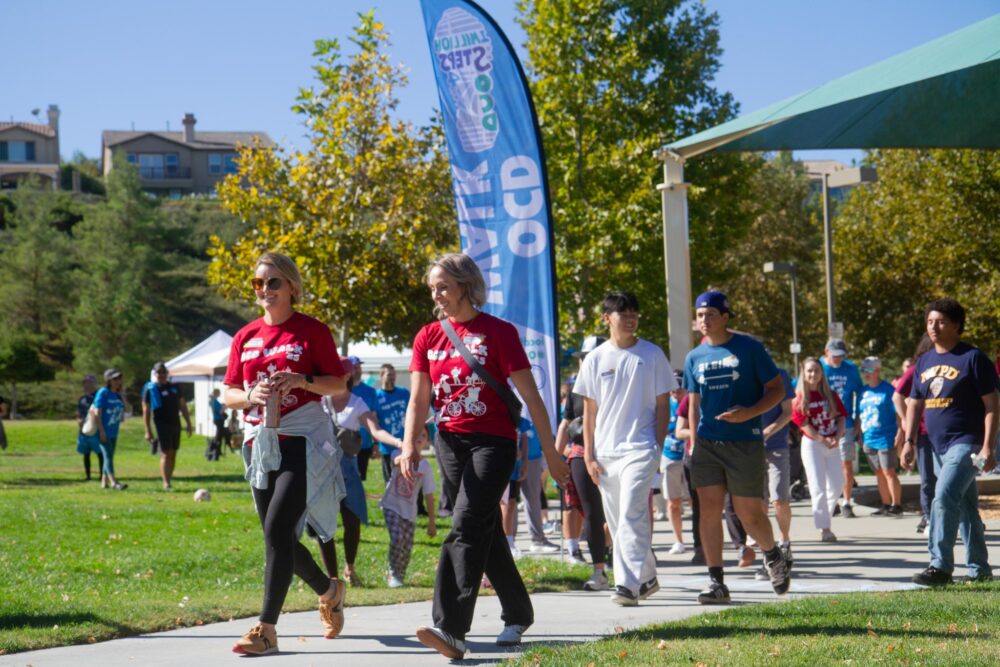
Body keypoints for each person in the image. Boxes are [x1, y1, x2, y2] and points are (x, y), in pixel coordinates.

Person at [399, 253, 570, 659]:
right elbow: (419, 398)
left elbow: (532, 396)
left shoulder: (498, 332)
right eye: (433, 288)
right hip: (449, 443)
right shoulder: (428, 336)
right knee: (484, 530)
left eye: (444, 286)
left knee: (465, 524)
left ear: (466, 286)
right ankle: (518, 611)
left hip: (493, 443)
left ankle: (451, 628)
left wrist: (551, 452)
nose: (437, 295)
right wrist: (409, 444)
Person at [222, 251, 351, 656]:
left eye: (272, 282)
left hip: (302, 440)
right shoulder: (245, 336)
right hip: (261, 441)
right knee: (276, 536)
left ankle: (266, 630)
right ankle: (330, 590)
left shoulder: (311, 331)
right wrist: (250, 395)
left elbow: (337, 385)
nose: (264, 290)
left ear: (292, 286)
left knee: (279, 529)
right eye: (258, 284)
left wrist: (302, 379)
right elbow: (227, 393)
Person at [683, 290, 789, 605]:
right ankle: (716, 582)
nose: (704, 320)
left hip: (744, 442)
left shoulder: (750, 349)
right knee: (709, 511)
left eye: (710, 314)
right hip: (706, 444)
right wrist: (693, 441)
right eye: (700, 315)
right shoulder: (694, 357)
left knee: (749, 514)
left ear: (725, 317)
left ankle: (773, 555)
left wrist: (749, 413)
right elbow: (693, 402)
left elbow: (777, 390)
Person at [575, 291, 677, 607]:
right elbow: (589, 411)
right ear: (607, 318)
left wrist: (657, 447)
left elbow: (663, 406)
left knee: (632, 514)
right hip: (605, 453)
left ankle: (627, 585)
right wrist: (589, 455)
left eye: (634, 313)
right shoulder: (595, 359)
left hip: (641, 447)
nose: (631, 319)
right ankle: (646, 577)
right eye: (624, 314)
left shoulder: (653, 355)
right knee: (620, 523)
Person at [903, 298, 997, 586]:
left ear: (957, 325)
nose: (934, 327)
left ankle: (939, 566)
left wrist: (987, 446)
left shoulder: (972, 358)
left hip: (967, 443)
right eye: (930, 321)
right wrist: (907, 441)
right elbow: (914, 403)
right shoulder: (925, 361)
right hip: (937, 446)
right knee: (966, 508)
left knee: (942, 498)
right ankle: (980, 569)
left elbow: (993, 404)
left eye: (941, 321)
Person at [318, 376, 403, 587]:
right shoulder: (320, 401)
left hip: (348, 471)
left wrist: (399, 442)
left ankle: (349, 567)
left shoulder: (357, 403)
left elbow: (375, 430)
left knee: (352, 519)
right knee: (324, 524)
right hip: (322, 471)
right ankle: (332, 578)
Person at [555, 336, 612, 585]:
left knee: (621, 513)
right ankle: (599, 570)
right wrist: (556, 456)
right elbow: (566, 423)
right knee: (591, 513)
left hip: (613, 452)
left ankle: (623, 558)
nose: (588, 362)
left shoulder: (614, 383)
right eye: (584, 358)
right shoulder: (577, 389)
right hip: (580, 453)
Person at [792, 358, 847, 543]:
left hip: (832, 444)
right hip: (813, 445)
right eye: (809, 371)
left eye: (816, 370)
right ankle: (825, 529)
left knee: (837, 484)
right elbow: (805, 426)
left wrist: (837, 437)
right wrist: (823, 439)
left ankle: (825, 517)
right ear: (803, 373)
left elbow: (841, 418)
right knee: (818, 487)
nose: (812, 374)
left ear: (821, 373)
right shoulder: (799, 399)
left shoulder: (830, 395)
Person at [754, 362, 795, 581]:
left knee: (779, 500)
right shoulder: (744, 376)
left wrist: (769, 430)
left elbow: (788, 412)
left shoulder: (781, 375)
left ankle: (785, 542)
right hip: (751, 447)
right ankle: (767, 556)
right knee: (759, 504)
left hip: (777, 445)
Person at [381, 427, 437, 587]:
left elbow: (429, 495)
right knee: (397, 539)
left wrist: (431, 522)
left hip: (410, 512)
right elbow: (395, 462)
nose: (420, 437)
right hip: (391, 506)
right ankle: (393, 573)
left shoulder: (425, 467)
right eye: (417, 433)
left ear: (427, 442)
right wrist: (406, 453)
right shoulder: (397, 455)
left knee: (406, 545)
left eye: (424, 435)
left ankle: (400, 575)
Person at [894, 335, 936, 533]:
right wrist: (905, 421)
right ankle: (928, 518)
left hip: (950, 433)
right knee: (928, 478)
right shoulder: (919, 367)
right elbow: (897, 396)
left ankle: (960, 518)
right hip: (925, 433)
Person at [820, 338, 863, 518]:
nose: (838, 359)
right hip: (822, 423)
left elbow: (859, 394)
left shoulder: (851, 369)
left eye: (841, 355)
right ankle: (832, 501)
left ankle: (846, 502)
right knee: (825, 464)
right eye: (834, 355)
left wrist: (858, 420)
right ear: (826, 351)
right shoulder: (818, 367)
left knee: (846, 462)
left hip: (845, 422)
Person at [858, 357, 904, 516]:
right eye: (863, 370)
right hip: (868, 437)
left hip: (886, 436)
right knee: (878, 472)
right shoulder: (863, 391)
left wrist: (900, 431)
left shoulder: (888, 389)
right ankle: (885, 504)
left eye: (869, 370)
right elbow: (859, 414)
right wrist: (859, 434)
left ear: (878, 370)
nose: (866, 373)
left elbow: (898, 413)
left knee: (889, 471)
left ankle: (896, 505)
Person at [142, 362, 193, 489]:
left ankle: (169, 478)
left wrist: (188, 422)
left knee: (173, 452)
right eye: (159, 372)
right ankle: (166, 482)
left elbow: (182, 405)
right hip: (161, 424)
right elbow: (146, 410)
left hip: (175, 423)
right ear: (155, 374)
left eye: (164, 372)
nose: (162, 375)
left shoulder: (175, 387)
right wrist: (147, 429)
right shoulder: (151, 389)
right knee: (165, 453)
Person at [516, 417, 561, 554]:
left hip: (534, 457)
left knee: (533, 499)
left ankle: (537, 539)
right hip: (516, 457)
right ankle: (509, 540)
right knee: (509, 502)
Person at [660, 372, 690, 555]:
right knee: (673, 502)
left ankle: (700, 540)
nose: (675, 389)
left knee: (695, 500)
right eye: (672, 385)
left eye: (679, 385)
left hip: (690, 457)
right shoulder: (664, 405)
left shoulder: (691, 403)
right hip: (669, 457)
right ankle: (679, 540)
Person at [93, 369, 128, 490]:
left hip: (114, 430)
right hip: (103, 430)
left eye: (119, 378)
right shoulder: (103, 392)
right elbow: (97, 412)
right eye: (115, 379)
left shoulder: (117, 394)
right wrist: (101, 431)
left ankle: (104, 482)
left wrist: (122, 395)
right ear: (108, 380)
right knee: (107, 455)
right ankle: (114, 482)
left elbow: (127, 409)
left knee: (110, 455)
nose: (118, 381)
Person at [345, 356, 379, 481]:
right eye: (354, 367)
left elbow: (374, 418)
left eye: (359, 367)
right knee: (346, 479)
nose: (358, 370)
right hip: (345, 443)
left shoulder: (370, 391)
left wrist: (376, 443)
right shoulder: (342, 389)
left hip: (364, 444)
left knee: (360, 480)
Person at [376, 363, 410, 484]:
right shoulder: (376, 396)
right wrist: (375, 444)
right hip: (387, 447)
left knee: (410, 479)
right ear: (381, 375)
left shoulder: (404, 393)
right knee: (390, 483)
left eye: (394, 375)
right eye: (389, 374)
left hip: (405, 445)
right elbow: (375, 424)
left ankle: (416, 503)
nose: (392, 377)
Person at [76, 374, 103, 479]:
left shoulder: (98, 397)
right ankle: (88, 476)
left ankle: (102, 475)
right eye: (85, 383)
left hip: (96, 429)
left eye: (89, 383)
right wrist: (79, 420)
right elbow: (78, 412)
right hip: (84, 430)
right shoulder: (82, 399)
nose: (87, 385)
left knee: (99, 453)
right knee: (86, 453)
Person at [207, 387, 227, 460]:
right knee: (218, 437)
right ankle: (215, 450)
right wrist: (224, 407)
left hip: (217, 419)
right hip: (218, 420)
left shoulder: (213, 401)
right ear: (216, 393)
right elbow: (220, 411)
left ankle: (217, 450)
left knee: (218, 436)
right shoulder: (214, 401)